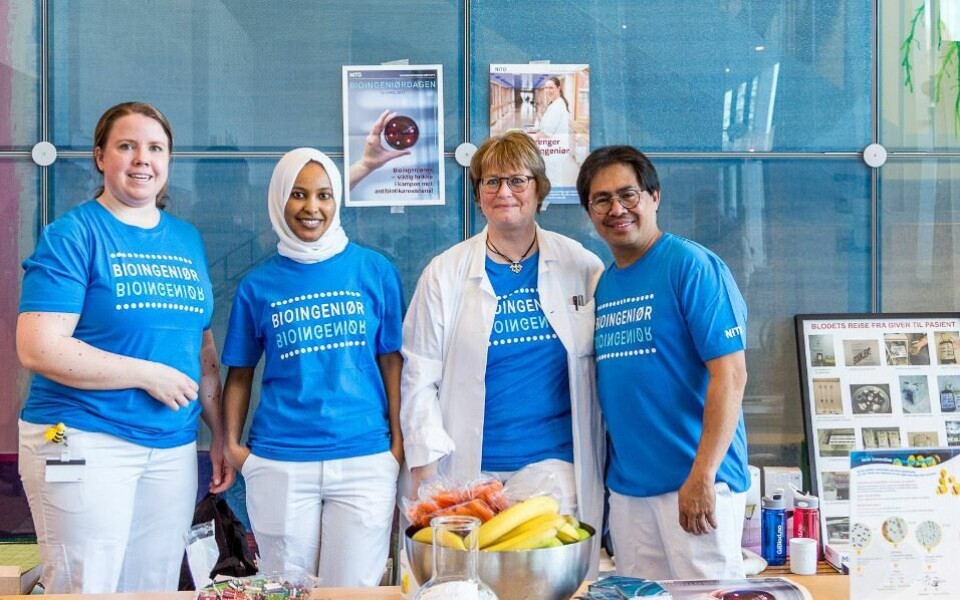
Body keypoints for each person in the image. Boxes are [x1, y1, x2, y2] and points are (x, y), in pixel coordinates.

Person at [16, 101, 232, 594]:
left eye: (155, 148)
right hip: (74, 435)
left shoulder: (186, 239)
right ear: (100, 156)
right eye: (126, 146)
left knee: (154, 585)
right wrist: (146, 373)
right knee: (84, 583)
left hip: (171, 446)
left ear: (168, 161)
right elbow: (38, 347)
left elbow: (202, 348)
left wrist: (217, 432)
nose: (142, 159)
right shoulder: (74, 235)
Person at [401, 130, 605, 574]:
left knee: (544, 584)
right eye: (490, 182)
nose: (504, 192)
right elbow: (419, 379)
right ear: (477, 196)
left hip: (558, 474)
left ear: (540, 189)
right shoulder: (445, 274)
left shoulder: (582, 266)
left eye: (518, 180)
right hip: (467, 477)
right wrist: (426, 478)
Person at [221, 148, 403, 586]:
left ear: (337, 199)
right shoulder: (257, 285)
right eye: (298, 194)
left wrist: (397, 443)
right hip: (281, 461)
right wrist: (232, 447)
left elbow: (391, 361)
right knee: (287, 591)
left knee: (354, 592)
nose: (312, 207)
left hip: (364, 457)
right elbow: (240, 373)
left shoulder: (373, 270)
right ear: (280, 200)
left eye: (324, 195)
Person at [577, 145, 750, 580]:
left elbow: (731, 375)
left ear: (654, 196)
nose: (617, 209)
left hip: (693, 486)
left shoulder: (690, 266)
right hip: (630, 492)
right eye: (602, 200)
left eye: (628, 194)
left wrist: (702, 476)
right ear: (590, 212)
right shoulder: (606, 284)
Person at [536, 76, 578, 188]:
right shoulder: (555, 104)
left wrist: (530, 138)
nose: (548, 91)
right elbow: (546, 126)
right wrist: (536, 130)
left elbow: (546, 133)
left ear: (558, 88)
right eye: (546, 88)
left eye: (551, 88)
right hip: (554, 149)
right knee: (554, 178)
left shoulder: (557, 106)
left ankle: (554, 203)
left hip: (553, 151)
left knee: (553, 181)